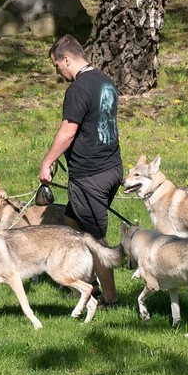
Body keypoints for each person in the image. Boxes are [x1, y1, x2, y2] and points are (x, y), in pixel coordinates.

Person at [39, 34, 122, 307]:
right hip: (112, 169)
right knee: (72, 221)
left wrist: (48, 161)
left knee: (95, 239)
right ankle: (90, 280)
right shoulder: (105, 81)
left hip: (90, 176)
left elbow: (68, 131)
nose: (58, 72)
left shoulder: (78, 88)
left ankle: (109, 298)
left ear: (67, 59)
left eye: (57, 66)